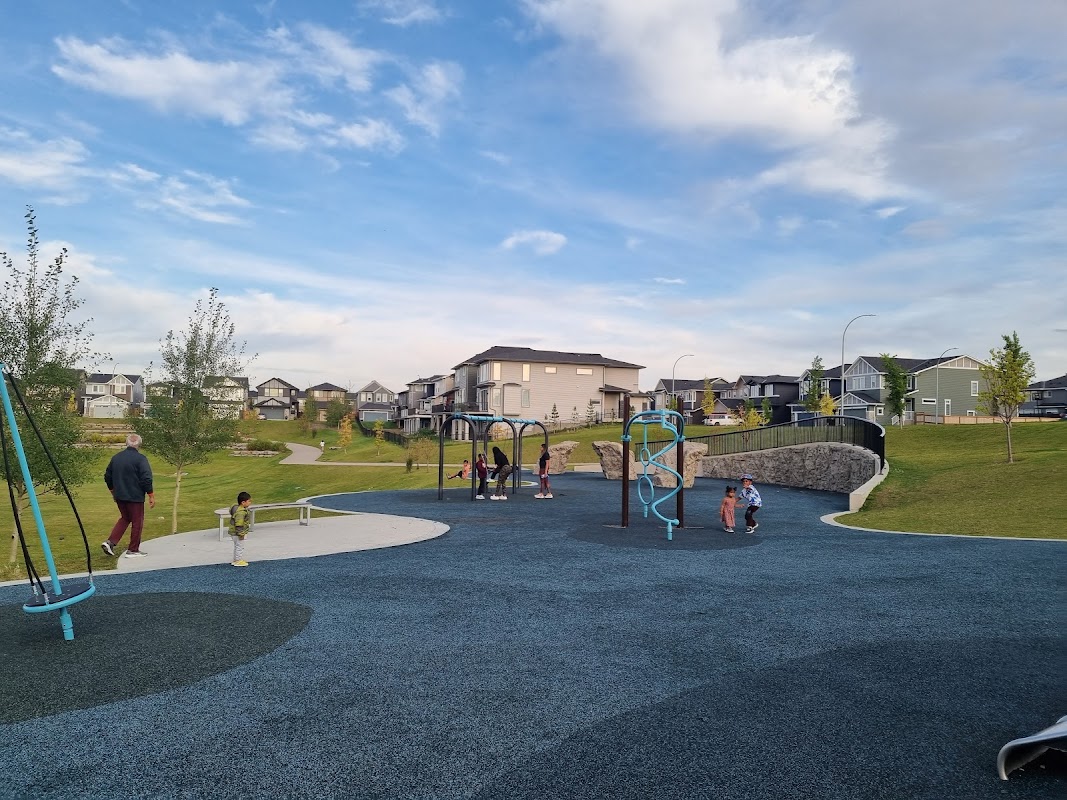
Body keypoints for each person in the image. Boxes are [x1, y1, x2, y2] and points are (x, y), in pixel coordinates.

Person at [101, 433, 155, 558]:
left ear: (126, 443)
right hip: (134, 497)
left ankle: (110, 542)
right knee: (137, 521)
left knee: (125, 518)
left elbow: (107, 476)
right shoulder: (141, 459)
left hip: (119, 495)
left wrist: (112, 490)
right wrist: (151, 494)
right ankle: (133, 550)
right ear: (139, 445)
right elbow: (146, 478)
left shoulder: (116, 458)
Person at [229, 491, 252, 567]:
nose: (250, 502)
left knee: (237, 546)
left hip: (234, 532)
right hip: (238, 533)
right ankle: (238, 560)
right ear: (243, 502)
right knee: (240, 546)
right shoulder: (241, 512)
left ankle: (236, 560)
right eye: (249, 501)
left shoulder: (238, 509)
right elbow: (239, 524)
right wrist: (241, 534)